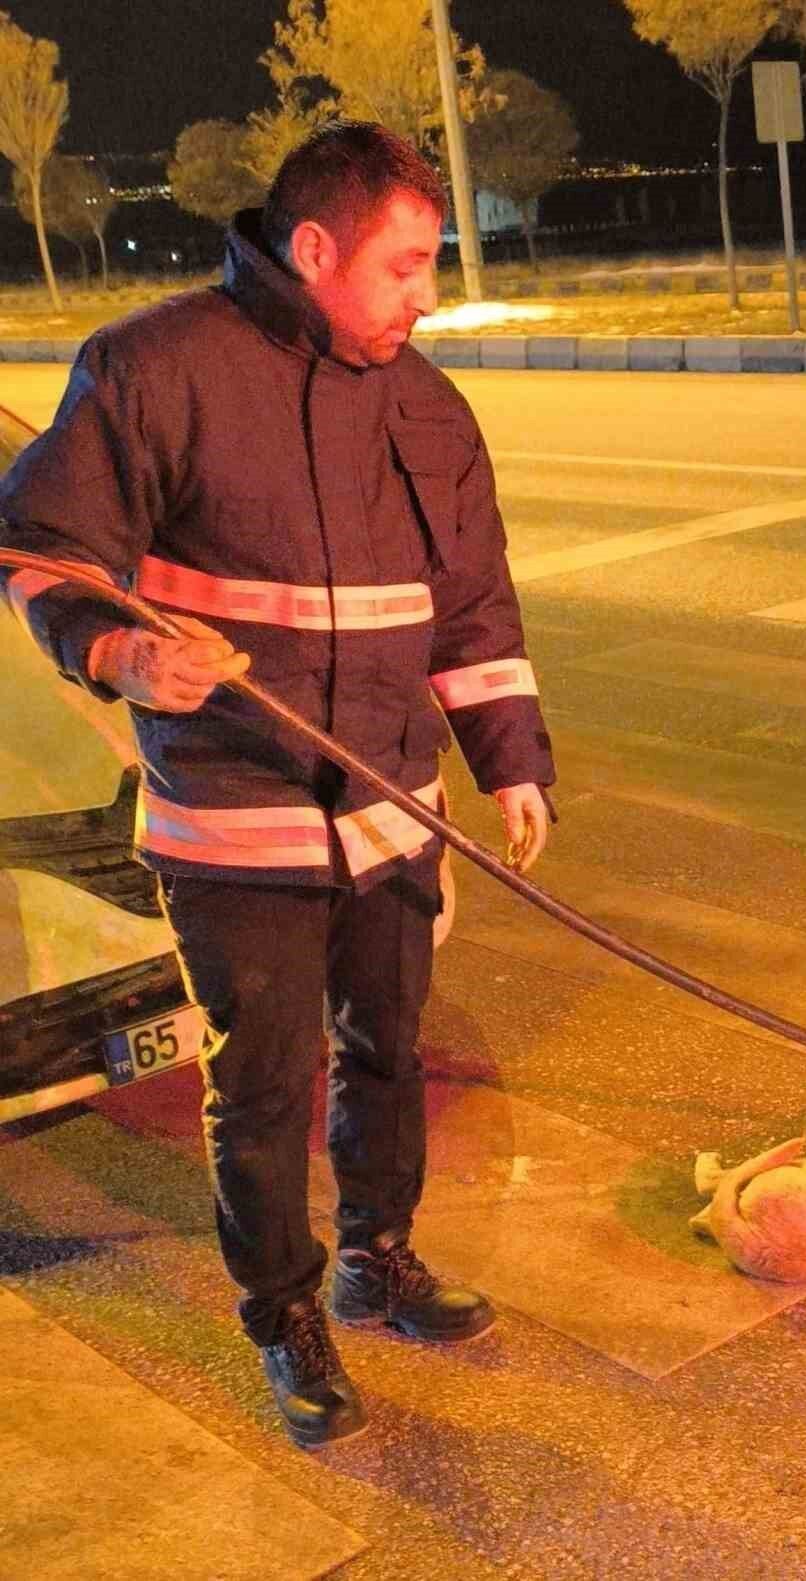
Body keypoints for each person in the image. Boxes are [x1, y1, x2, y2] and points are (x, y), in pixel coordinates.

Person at [0, 121, 555, 1449]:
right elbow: (40, 545)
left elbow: (472, 603)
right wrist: (123, 651)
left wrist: (510, 759)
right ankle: (284, 1314)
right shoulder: (152, 369)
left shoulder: (427, 404)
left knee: (385, 1050)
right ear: (316, 249)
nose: (428, 295)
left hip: (389, 815)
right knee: (264, 1083)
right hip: (232, 823)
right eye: (406, 265)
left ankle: (381, 1257)